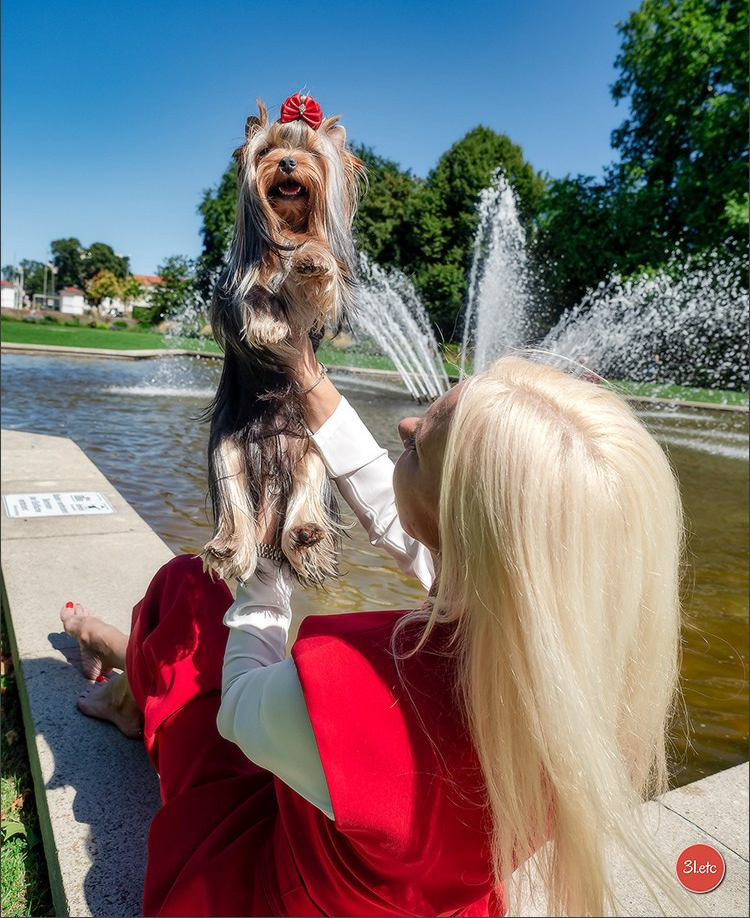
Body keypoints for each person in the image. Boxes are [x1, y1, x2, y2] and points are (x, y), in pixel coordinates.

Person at [61, 342, 689, 917]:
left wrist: (266, 565)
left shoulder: (365, 692)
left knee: (189, 590)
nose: (405, 425)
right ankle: (127, 670)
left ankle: (130, 685)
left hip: (275, 892)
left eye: (419, 443)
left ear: (465, 527)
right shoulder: (582, 684)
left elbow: (239, 711)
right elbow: (406, 518)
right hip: (411, 892)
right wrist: (305, 377)